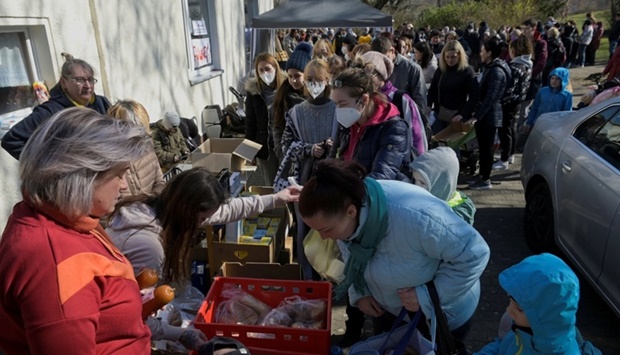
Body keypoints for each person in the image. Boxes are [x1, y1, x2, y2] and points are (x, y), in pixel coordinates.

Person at [298, 159, 490, 354]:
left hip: (441, 315)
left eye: (326, 230)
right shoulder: (348, 213)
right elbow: (350, 250)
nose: (324, 237)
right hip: (391, 311)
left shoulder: (417, 215)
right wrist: (359, 292)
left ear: (351, 211)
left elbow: (475, 254)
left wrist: (425, 298)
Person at [0, 107, 151, 353]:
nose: (124, 186)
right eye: (120, 174)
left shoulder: (63, 217)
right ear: (84, 175)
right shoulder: (54, 263)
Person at [106, 167, 300, 348]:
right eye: (201, 219)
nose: (203, 224)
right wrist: (178, 334)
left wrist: (276, 199)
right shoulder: (149, 247)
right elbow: (135, 314)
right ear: (187, 211)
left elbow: (227, 210)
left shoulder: (158, 207)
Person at [277, 59, 336, 280]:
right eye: (310, 80)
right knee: (306, 230)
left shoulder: (337, 108)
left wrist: (332, 147)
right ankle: (308, 277)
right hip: (303, 178)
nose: (314, 85)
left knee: (330, 230)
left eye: (318, 80)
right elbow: (285, 146)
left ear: (327, 79)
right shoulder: (295, 112)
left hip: (332, 179)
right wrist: (309, 149)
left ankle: (330, 277)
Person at [474, 253, 602, 355]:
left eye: (518, 308)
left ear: (545, 316)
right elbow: (503, 345)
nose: (509, 310)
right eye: (510, 302)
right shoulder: (526, 329)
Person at [1, 53, 110, 160]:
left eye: (90, 80)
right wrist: (49, 164)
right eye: (79, 80)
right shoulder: (50, 111)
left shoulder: (102, 103)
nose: (87, 86)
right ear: (63, 82)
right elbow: (11, 140)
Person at [329, 67, 412, 182]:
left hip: (377, 197)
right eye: (336, 104)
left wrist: (344, 195)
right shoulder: (347, 123)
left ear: (364, 100)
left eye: (342, 104)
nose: (338, 109)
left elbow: (381, 177)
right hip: (350, 194)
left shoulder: (393, 128)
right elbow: (332, 161)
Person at [359, 51, 428, 154]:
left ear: (381, 76)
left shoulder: (401, 99)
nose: (365, 80)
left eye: (369, 75)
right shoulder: (360, 99)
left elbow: (417, 137)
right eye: (361, 75)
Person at [467, 38, 511, 190]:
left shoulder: (497, 71)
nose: (480, 53)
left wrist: (477, 116)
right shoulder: (490, 67)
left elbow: (491, 97)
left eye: (482, 51)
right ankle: (481, 176)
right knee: (483, 148)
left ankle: (486, 179)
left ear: (490, 53)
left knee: (487, 150)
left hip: (490, 116)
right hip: (485, 115)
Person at [245, 52, 287, 186]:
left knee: (287, 183)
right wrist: (248, 153)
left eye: (268, 69)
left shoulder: (286, 88)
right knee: (271, 185)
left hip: (285, 144)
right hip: (265, 146)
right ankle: (275, 208)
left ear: (276, 68)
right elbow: (250, 122)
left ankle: (290, 208)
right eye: (261, 70)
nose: (265, 73)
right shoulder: (253, 92)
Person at [108, 100, 165, 197]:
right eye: (133, 133)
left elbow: (160, 182)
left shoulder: (147, 146)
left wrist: (151, 201)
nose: (139, 138)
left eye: (141, 131)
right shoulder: (108, 159)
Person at [493, 35, 532, 170]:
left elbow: (507, 88)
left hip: (508, 103)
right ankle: (510, 154)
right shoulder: (527, 65)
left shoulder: (515, 66)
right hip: (517, 101)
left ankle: (504, 159)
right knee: (511, 128)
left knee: (505, 130)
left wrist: (500, 100)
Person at [409, 147, 476, 224]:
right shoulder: (434, 197)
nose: (416, 186)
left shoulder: (454, 218)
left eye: (422, 183)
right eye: (415, 180)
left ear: (440, 183)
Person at [371, 34, 428, 124]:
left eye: (384, 58)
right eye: (377, 59)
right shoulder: (372, 67)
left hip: (405, 122)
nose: (381, 63)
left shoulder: (412, 69)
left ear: (392, 51)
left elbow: (420, 103)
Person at [428, 40, 480, 133]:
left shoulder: (467, 71)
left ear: (460, 55)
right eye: (447, 57)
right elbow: (433, 90)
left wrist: (463, 114)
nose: (449, 60)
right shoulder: (441, 70)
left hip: (457, 116)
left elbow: (474, 96)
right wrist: (428, 105)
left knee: (453, 145)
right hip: (439, 113)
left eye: (453, 57)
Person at [272, 42, 312, 163]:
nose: (293, 80)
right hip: (287, 156)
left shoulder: (314, 96)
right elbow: (277, 126)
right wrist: (280, 151)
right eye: (289, 76)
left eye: (297, 76)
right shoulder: (281, 96)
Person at [525, 67, 572, 132]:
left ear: (563, 80)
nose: (554, 81)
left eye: (558, 79)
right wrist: (529, 122)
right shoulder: (542, 91)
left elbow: (567, 112)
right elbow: (534, 108)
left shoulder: (567, 95)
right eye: (552, 78)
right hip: (538, 123)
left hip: (553, 127)